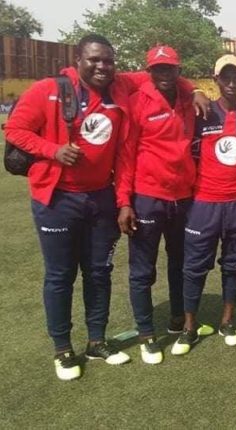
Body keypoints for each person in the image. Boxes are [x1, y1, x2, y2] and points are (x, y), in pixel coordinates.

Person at [4, 34, 134, 380]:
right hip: (57, 199)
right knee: (60, 276)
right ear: (78, 60)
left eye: (108, 60)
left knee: (99, 272)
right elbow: (15, 130)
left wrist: (196, 89)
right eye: (94, 59)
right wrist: (53, 150)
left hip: (101, 198)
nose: (102, 66)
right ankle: (62, 349)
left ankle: (96, 342)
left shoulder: (119, 89)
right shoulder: (49, 89)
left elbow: (157, 75)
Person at [115, 45, 209, 365]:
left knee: (181, 263)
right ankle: (146, 334)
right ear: (149, 72)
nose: (164, 74)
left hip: (183, 198)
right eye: (158, 69)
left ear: (178, 71)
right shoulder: (137, 102)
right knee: (143, 269)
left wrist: (195, 90)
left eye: (169, 68)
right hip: (148, 197)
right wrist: (124, 202)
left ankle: (178, 319)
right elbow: (125, 157)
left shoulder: (187, 99)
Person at [171, 55, 236, 355]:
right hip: (204, 203)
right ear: (216, 80)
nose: (231, 82)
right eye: (225, 77)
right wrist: (194, 91)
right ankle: (189, 327)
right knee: (194, 267)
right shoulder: (201, 113)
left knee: (233, 265)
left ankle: (227, 321)